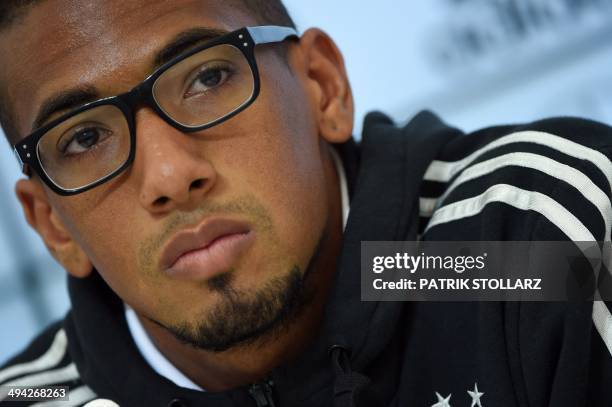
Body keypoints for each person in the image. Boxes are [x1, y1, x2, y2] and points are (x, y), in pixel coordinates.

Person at [0, 0, 611, 406]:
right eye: (83, 138)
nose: (168, 175)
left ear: (323, 86)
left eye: (208, 77)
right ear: (54, 225)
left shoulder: (534, 245)